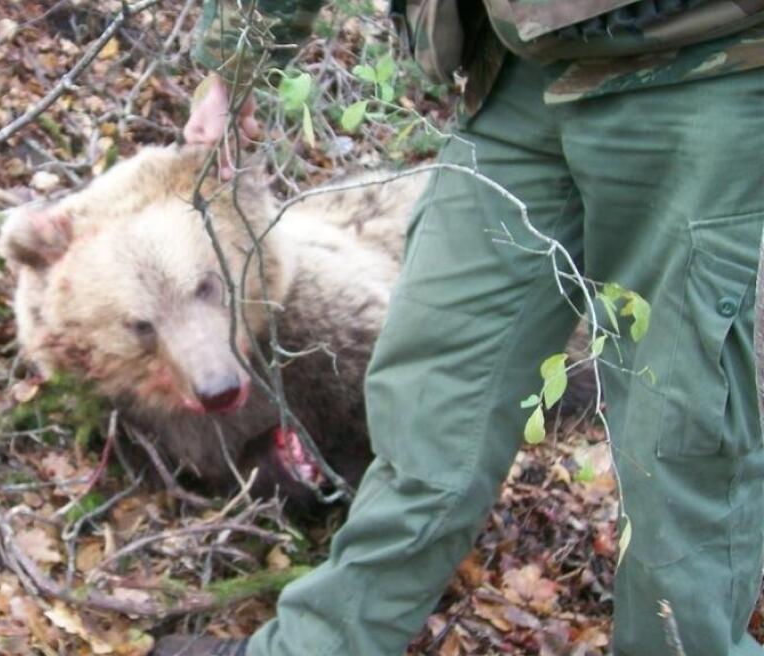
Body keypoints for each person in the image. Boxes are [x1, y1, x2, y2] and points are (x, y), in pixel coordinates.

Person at [154, 1, 764, 654]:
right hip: (516, 76)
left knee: (680, 429)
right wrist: (234, 61)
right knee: (428, 395)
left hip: (701, 67)